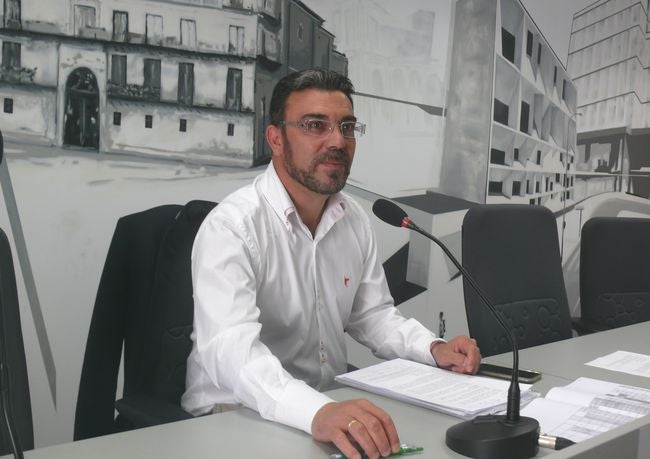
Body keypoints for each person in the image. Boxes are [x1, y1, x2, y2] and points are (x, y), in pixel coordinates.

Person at [181, 68, 480, 459]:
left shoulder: (351, 218)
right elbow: (231, 353)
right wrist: (317, 410)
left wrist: (433, 348)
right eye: (314, 125)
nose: (337, 140)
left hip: (324, 408)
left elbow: (372, 316)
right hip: (232, 414)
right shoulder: (232, 227)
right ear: (275, 138)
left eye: (347, 127)